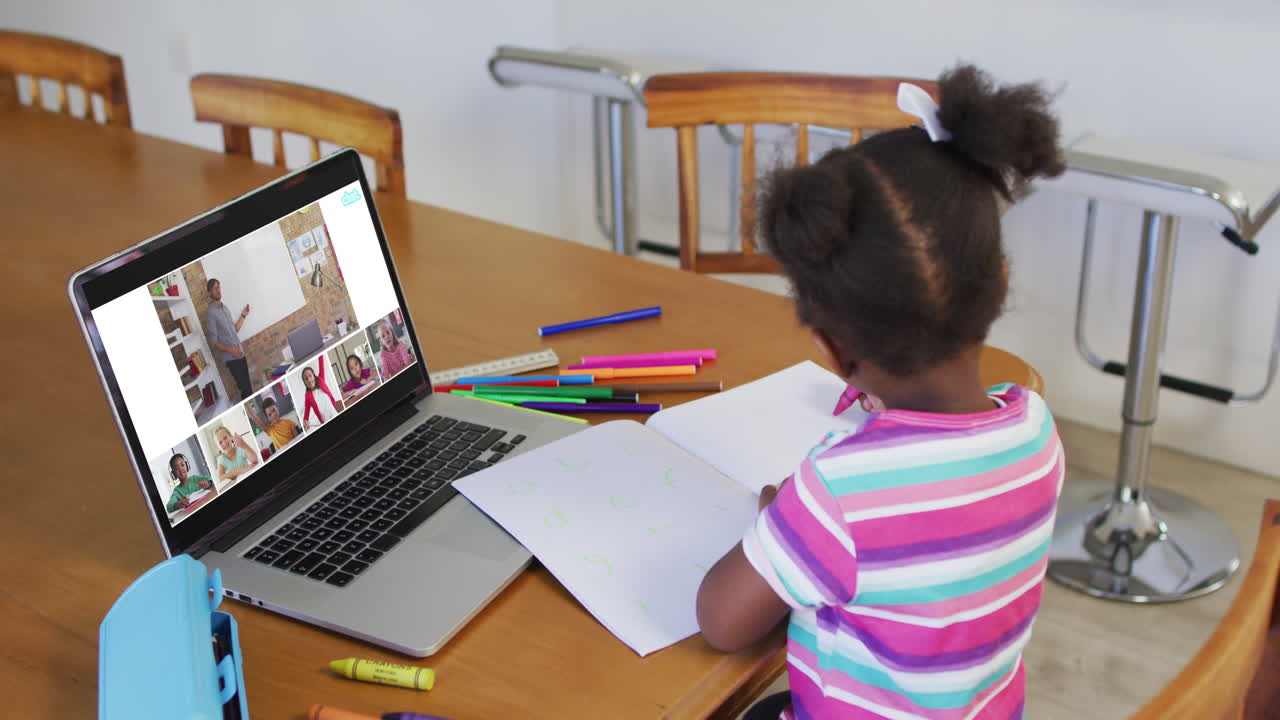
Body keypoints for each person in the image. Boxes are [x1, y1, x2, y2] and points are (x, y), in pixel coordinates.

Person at [696, 65, 1068, 720]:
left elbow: (721, 623)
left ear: (831, 348)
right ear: (1000, 281)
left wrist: (780, 525)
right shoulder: (1037, 428)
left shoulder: (838, 495)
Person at [204, 278, 252, 401]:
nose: (218, 290)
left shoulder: (225, 308)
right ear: (209, 293)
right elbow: (214, 343)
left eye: (219, 287)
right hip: (232, 358)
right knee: (245, 390)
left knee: (249, 388)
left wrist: (243, 315)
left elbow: (234, 329)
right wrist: (232, 350)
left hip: (240, 354)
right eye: (215, 288)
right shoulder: (211, 313)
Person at [300, 363, 343, 430]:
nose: (309, 379)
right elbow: (307, 409)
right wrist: (305, 420)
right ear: (305, 382)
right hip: (325, 422)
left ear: (314, 376)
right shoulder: (307, 395)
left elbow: (321, 362)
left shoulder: (321, 380)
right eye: (306, 379)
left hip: (335, 414)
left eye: (310, 376)